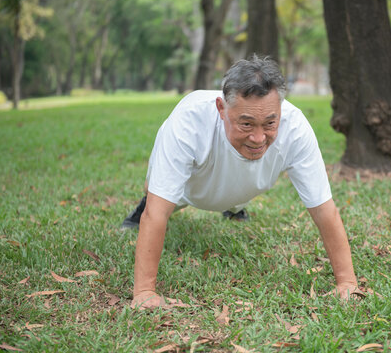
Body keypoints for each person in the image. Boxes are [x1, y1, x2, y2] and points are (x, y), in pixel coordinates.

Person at [124, 56, 360, 309]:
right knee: (156, 193)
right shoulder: (188, 121)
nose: (258, 137)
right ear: (221, 108)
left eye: (270, 123)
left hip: (246, 186)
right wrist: (144, 293)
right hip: (193, 187)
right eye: (246, 123)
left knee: (239, 190)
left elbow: (324, 208)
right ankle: (141, 208)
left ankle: (234, 207)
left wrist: (347, 283)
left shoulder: (296, 127)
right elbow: (158, 213)